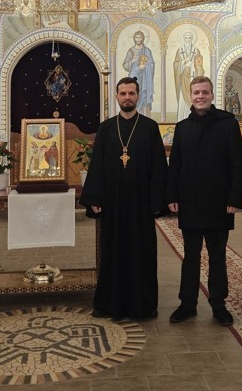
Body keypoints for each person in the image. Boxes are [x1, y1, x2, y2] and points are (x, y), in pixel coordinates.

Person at [80, 77, 168, 320]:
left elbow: (158, 166)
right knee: (112, 253)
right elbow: (97, 165)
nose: (127, 97)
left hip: (141, 204)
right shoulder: (106, 128)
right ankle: (110, 304)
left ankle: (143, 305)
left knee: (142, 253)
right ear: (117, 97)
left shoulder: (150, 127)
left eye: (131, 93)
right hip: (113, 204)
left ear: (138, 96)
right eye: (123, 93)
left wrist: (157, 201)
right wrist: (95, 197)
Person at [167, 76, 242, 326]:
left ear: (212, 95)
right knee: (190, 256)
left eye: (204, 92)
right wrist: (172, 195)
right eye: (196, 93)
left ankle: (219, 305)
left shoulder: (228, 123)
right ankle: (187, 303)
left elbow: (237, 163)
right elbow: (175, 164)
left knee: (217, 256)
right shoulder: (182, 127)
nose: (200, 96)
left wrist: (235, 198)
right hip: (190, 202)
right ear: (190, 96)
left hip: (219, 203)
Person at [172, 31, 204, 120]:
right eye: (186, 38)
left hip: (193, 78)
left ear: (192, 39)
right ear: (184, 39)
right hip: (183, 80)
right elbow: (175, 64)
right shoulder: (180, 51)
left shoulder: (196, 50)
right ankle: (182, 118)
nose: (188, 40)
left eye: (189, 38)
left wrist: (196, 68)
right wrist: (184, 61)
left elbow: (199, 64)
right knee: (183, 99)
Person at [122, 31, 155, 116]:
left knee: (143, 94)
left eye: (140, 37)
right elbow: (125, 65)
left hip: (145, 77)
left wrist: (146, 66)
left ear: (143, 38)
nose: (138, 39)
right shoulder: (131, 51)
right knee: (133, 92)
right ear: (134, 39)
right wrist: (132, 61)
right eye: (137, 37)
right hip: (134, 75)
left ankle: (144, 115)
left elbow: (151, 63)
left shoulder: (147, 51)